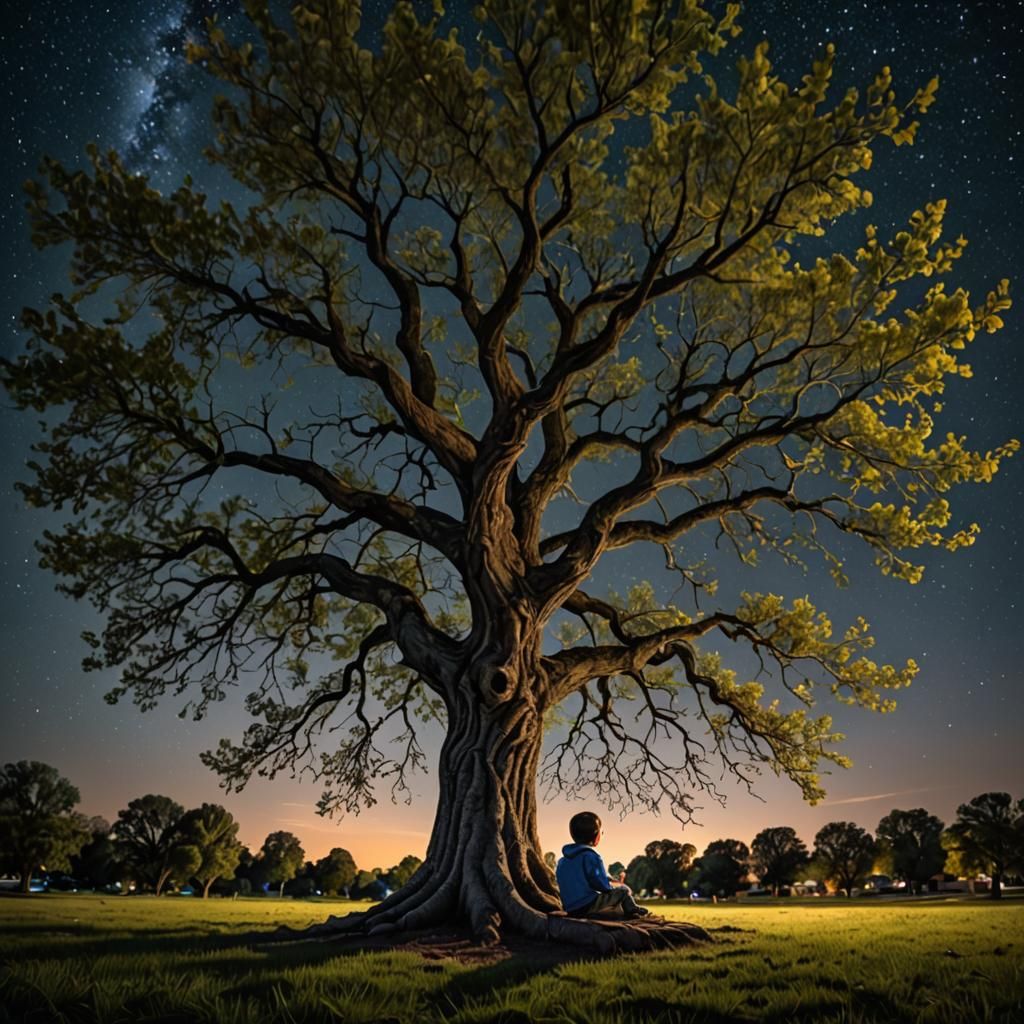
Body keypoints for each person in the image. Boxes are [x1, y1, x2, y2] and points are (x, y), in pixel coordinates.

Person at [555, 811, 649, 919]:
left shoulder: (562, 861)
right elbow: (601, 884)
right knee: (623, 891)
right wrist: (611, 887)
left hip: (570, 908)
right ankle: (632, 911)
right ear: (596, 837)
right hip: (587, 904)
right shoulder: (590, 856)